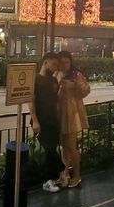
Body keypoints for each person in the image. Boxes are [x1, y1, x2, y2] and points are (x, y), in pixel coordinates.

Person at [29, 52, 64, 192]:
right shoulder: (35, 79)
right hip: (41, 120)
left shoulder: (53, 81)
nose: (56, 67)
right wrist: (35, 120)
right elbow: (30, 100)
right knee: (49, 149)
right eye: (54, 64)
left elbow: (56, 100)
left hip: (53, 119)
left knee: (52, 149)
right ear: (45, 62)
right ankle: (51, 178)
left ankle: (53, 178)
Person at [56, 51, 90, 188]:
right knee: (63, 146)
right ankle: (65, 174)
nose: (64, 65)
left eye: (66, 62)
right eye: (61, 62)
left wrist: (75, 85)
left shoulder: (76, 75)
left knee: (71, 146)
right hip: (59, 112)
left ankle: (77, 175)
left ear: (70, 63)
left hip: (72, 112)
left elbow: (86, 90)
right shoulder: (56, 74)